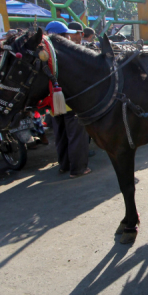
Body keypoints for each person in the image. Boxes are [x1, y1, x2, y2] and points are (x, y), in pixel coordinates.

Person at [44, 21, 91, 178]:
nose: (69, 37)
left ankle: (64, 165)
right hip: (72, 102)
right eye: (66, 35)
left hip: (54, 104)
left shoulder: (44, 54)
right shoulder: (66, 53)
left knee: (61, 135)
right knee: (77, 136)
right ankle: (78, 169)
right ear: (60, 37)